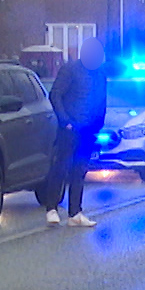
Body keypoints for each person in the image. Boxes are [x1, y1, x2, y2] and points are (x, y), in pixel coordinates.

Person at [40, 37, 108, 227]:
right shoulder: (70, 70)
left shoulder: (100, 75)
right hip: (70, 129)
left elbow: (102, 100)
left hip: (88, 129)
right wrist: (65, 121)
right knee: (61, 167)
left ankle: (75, 212)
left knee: (80, 170)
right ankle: (51, 208)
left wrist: (98, 124)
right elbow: (55, 95)